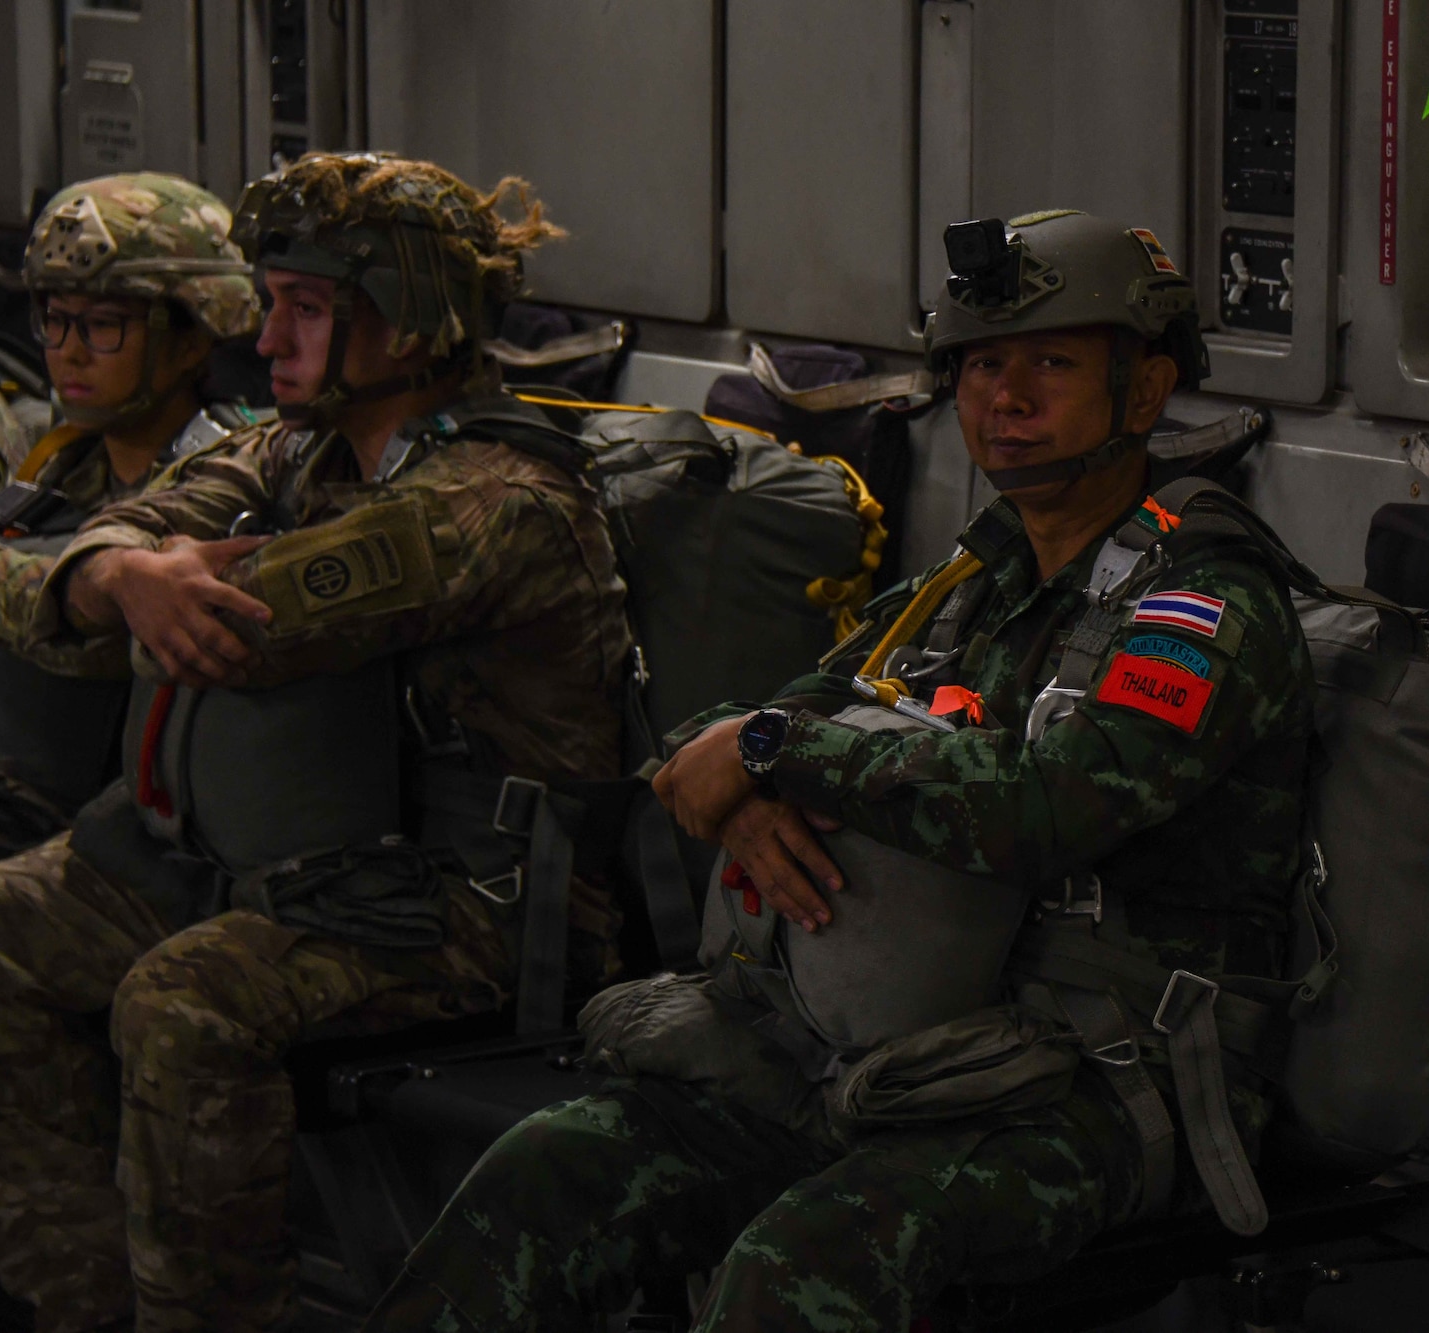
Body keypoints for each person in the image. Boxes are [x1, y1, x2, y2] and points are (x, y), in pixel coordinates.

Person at [363, 209, 1316, 1332]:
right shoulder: (975, 582)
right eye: (977, 366)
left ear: (1144, 392)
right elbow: (709, 747)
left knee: (800, 1264)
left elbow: (1051, 809)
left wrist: (777, 756)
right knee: (554, 1168)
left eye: (1049, 364)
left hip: (1097, 1082)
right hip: (891, 1042)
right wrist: (751, 780)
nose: (1001, 398)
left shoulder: (1199, 607)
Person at [0, 151, 631, 1333]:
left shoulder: (493, 497)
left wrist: (128, 588)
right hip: (310, 862)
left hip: (473, 907)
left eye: (308, 308)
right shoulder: (300, 450)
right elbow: (74, 553)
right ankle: (83, 1306)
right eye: (271, 300)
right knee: (5, 928)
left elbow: (244, 630)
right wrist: (122, 568)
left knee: (185, 1004)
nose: (269, 337)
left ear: (411, 322)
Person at [0, 172, 264, 858]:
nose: (69, 350)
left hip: (109, 836)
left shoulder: (229, 480)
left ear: (194, 337)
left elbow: (94, 640)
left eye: (105, 324)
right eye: (55, 317)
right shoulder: (64, 461)